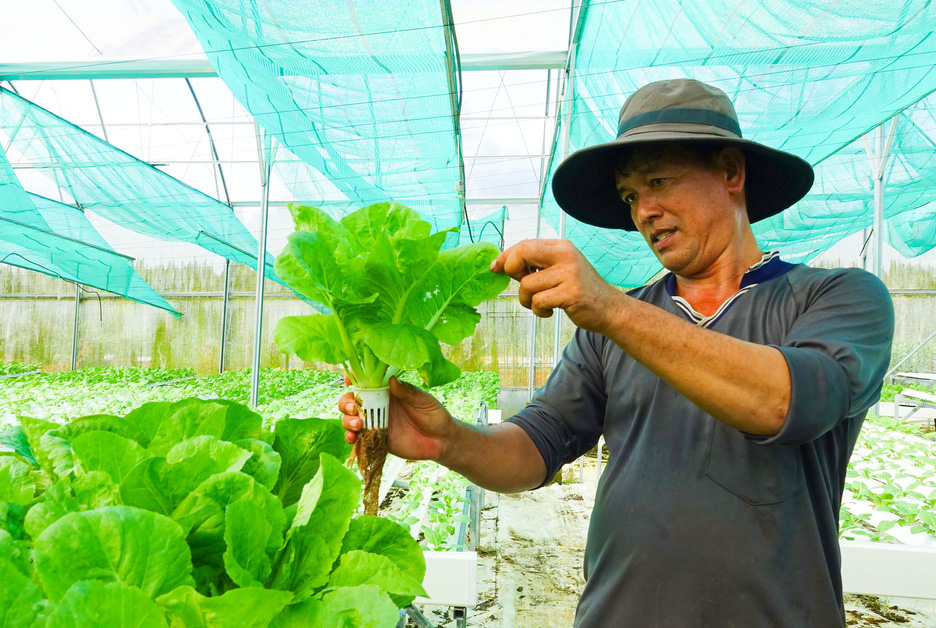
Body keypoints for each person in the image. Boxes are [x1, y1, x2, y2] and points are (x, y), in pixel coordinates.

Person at [338, 78, 894, 627]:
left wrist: (613, 308)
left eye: (658, 180)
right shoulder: (613, 329)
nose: (643, 210)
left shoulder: (836, 297)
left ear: (731, 172)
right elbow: (538, 445)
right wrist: (448, 440)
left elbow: (786, 402)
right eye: (631, 196)